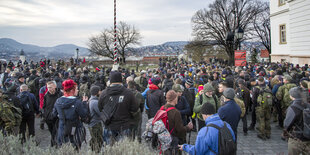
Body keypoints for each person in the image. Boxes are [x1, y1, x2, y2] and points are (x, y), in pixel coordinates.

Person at [98, 71, 139, 145]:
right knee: (124, 149)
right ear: (121, 80)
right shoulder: (128, 93)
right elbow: (135, 108)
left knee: (109, 149)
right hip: (124, 125)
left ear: (110, 80)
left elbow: (100, 108)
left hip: (109, 125)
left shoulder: (103, 93)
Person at [53, 79, 89, 149]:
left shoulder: (58, 101)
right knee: (75, 148)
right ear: (72, 90)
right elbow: (84, 115)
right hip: (75, 129)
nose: (78, 90)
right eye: (76, 89)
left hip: (62, 128)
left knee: (63, 148)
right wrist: (84, 103)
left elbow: (54, 115)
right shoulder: (77, 102)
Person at [163, 90, 193, 155]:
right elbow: (180, 130)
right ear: (174, 99)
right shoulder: (175, 112)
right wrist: (188, 127)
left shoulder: (162, 108)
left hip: (164, 139)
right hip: (173, 140)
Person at [283, 87, 310, 154]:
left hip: (297, 138)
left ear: (292, 96)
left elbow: (287, 124)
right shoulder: (308, 105)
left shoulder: (293, 107)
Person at [43, 81, 62, 147]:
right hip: (48, 118)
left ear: (55, 87)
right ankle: (54, 144)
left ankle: (54, 145)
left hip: (57, 117)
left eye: (50, 87)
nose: (49, 89)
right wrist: (45, 115)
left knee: (55, 132)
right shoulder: (46, 95)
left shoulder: (60, 94)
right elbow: (44, 106)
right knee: (52, 132)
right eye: (48, 87)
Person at [88, 86, 103, 153]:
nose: (101, 92)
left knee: (94, 139)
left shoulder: (90, 100)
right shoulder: (95, 102)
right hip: (95, 124)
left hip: (92, 124)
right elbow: (101, 113)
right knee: (98, 141)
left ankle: (93, 151)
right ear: (97, 92)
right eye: (100, 91)